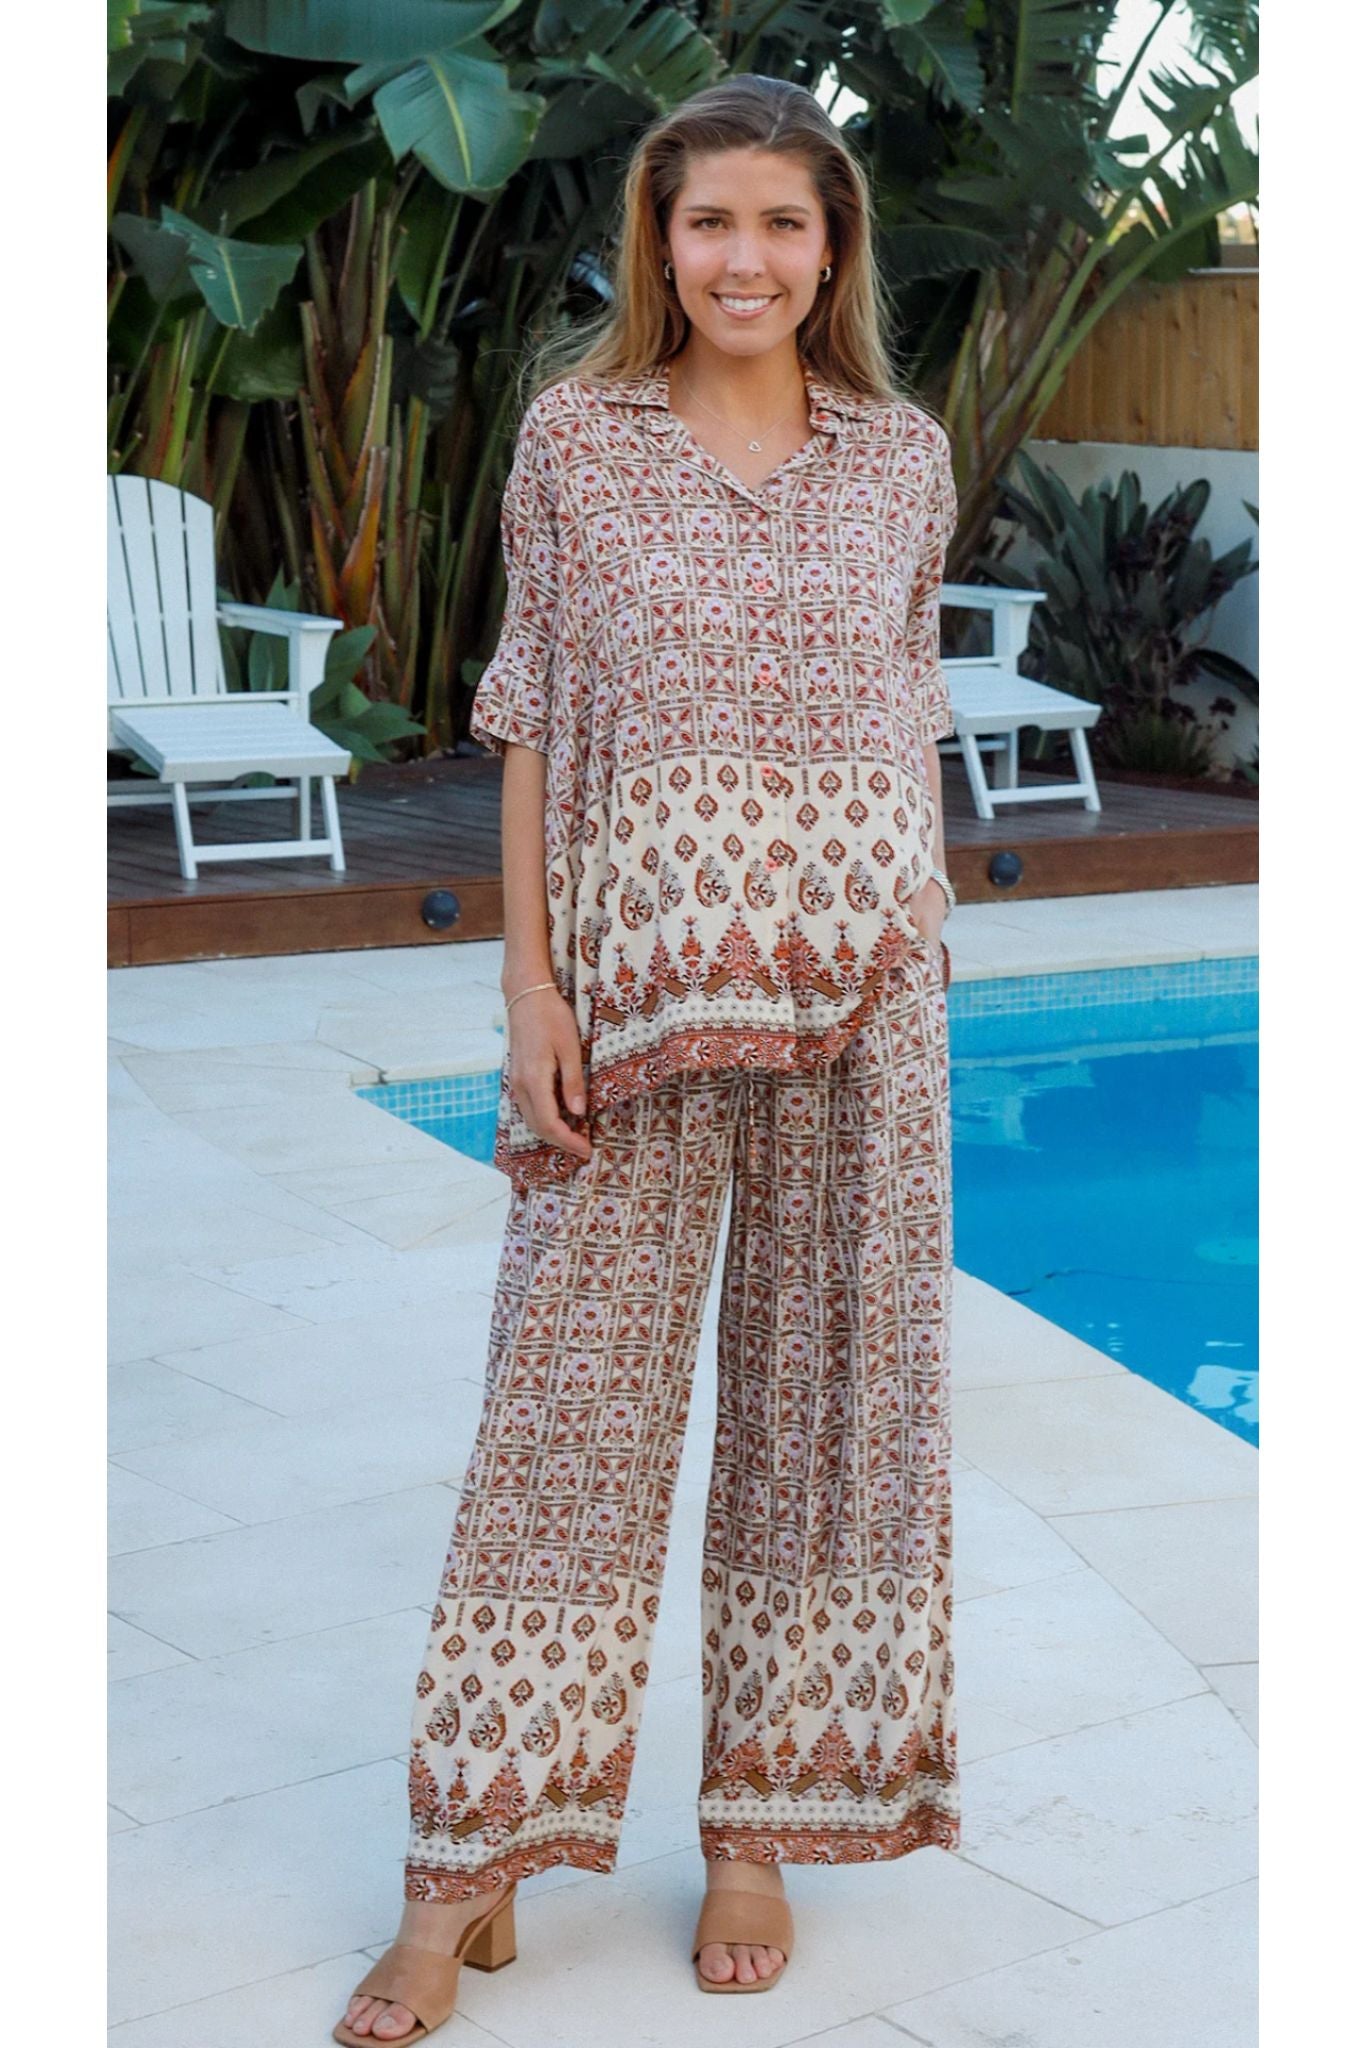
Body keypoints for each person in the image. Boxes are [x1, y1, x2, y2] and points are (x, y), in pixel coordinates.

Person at [335, 70, 960, 2047]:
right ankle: (463, 1868)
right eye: (710, 226)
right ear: (658, 243)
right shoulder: (578, 440)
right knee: (563, 1429)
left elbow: (896, 704)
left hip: (865, 999)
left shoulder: (901, 454)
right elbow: (525, 709)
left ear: (831, 245)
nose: (746, 260)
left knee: (823, 1427)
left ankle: (755, 1825)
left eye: (783, 224)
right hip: (628, 993)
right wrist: (527, 991)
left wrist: (906, 946)